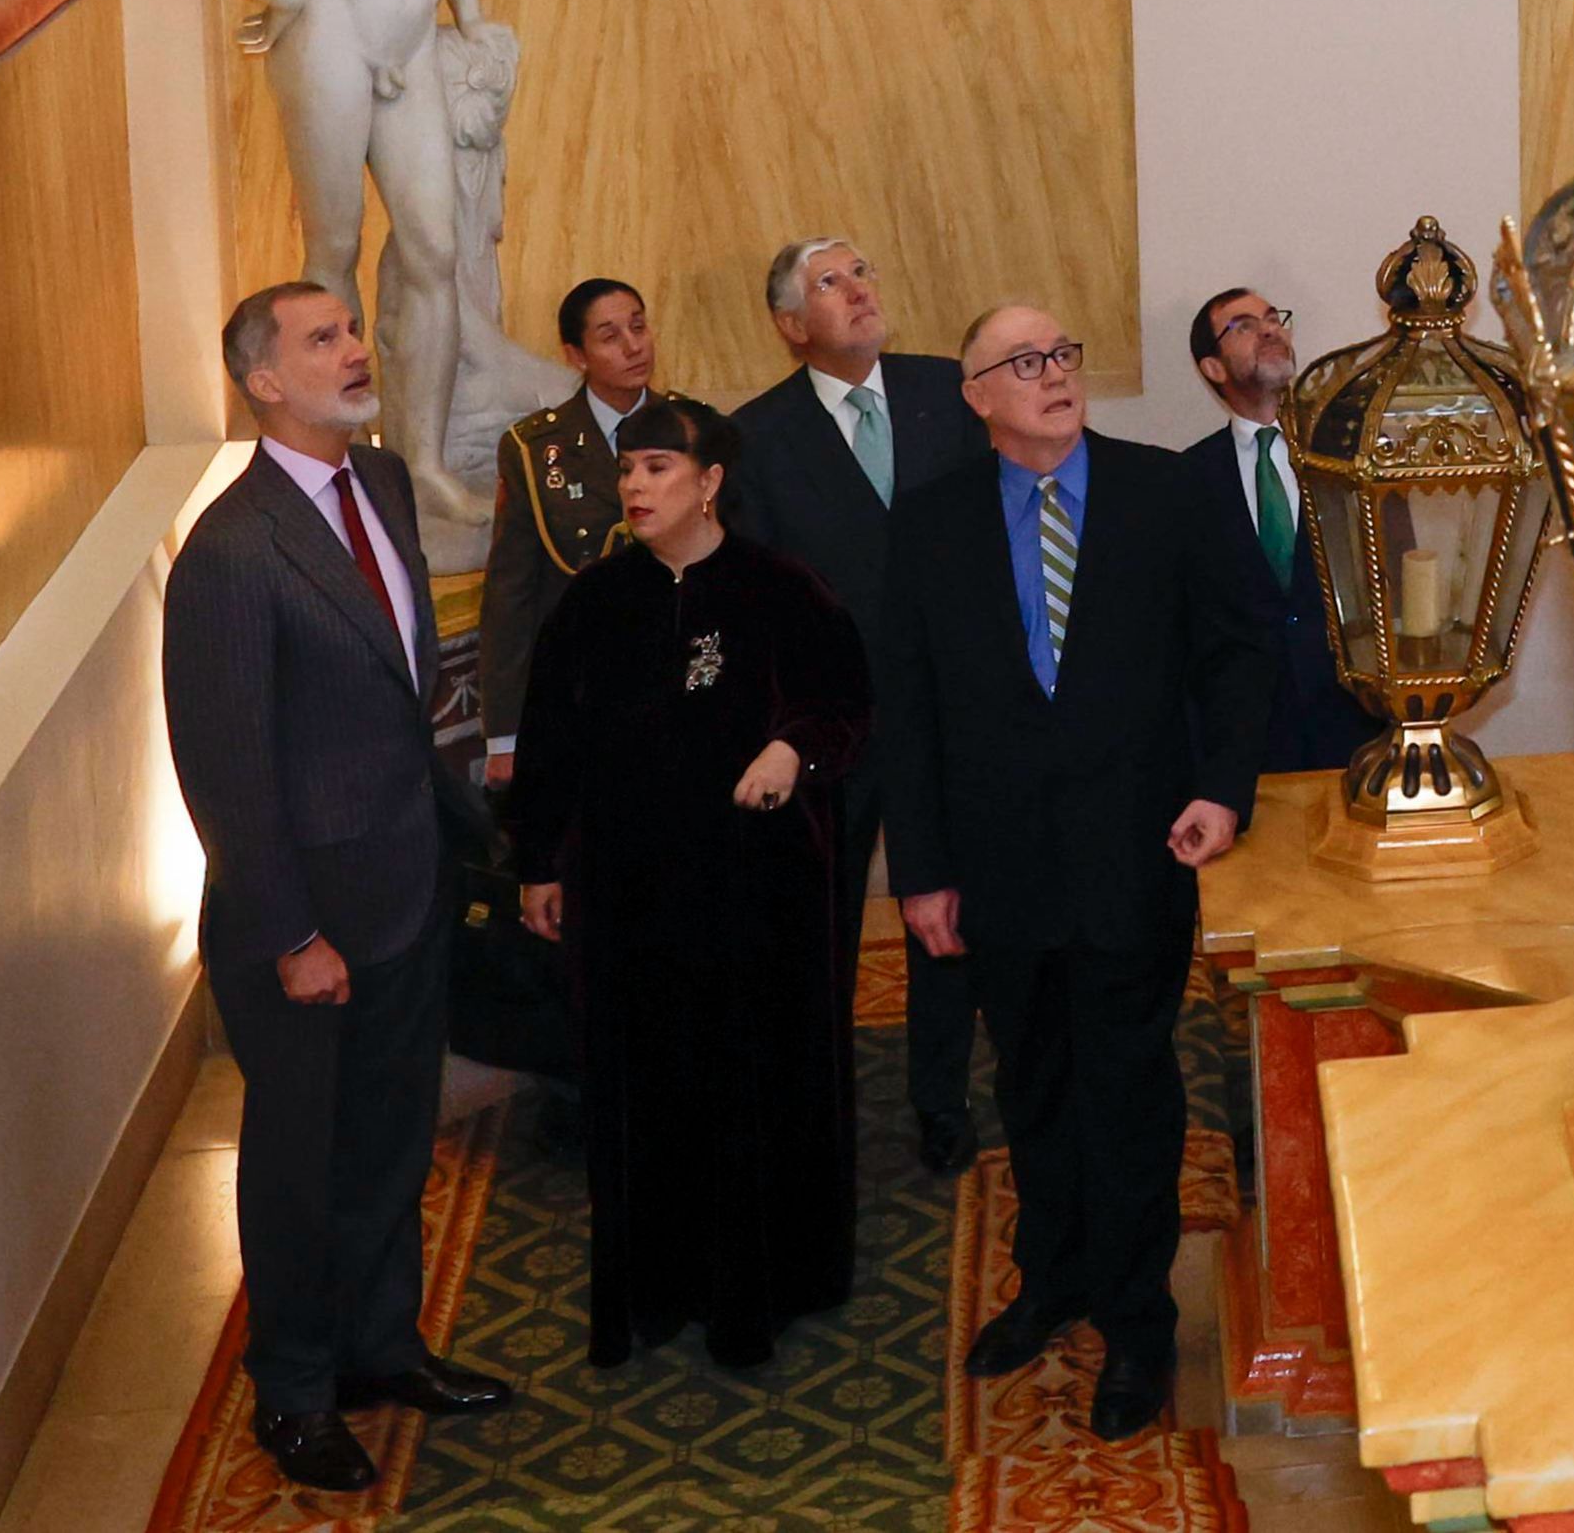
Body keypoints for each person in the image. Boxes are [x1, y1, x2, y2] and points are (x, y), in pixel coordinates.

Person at [869, 304, 1271, 1434]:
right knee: (1031, 1079)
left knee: (1129, 1082)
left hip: (1135, 850)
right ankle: (1052, 1278)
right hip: (995, 867)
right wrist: (924, 870)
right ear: (977, 396)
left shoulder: (1164, 491)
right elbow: (908, 707)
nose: (1052, 373)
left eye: (1061, 353)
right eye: (1023, 361)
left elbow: (1241, 645)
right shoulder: (932, 521)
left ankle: (1137, 1319)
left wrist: (1222, 788)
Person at [161, 283, 521, 1495]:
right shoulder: (230, 550)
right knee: (300, 1164)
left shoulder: (384, 486)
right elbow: (223, 764)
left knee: (389, 1136)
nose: (356, 347)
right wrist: (289, 930)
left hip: (407, 888)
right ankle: (298, 1388)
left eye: (354, 327)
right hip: (304, 926)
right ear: (262, 380)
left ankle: (381, 1345)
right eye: (322, 338)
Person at [511, 407, 869, 1369]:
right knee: (645, 1086)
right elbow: (548, 746)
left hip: (759, 893)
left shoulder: (782, 592)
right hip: (629, 899)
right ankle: (654, 1286)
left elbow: (844, 706)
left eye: (658, 467)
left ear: (709, 482)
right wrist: (538, 863)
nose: (635, 487)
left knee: (755, 1079)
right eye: (628, 469)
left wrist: (793, 747)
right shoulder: (591, 606)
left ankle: (768, 1281)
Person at [173, 0, 500, 558]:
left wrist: (466, 13)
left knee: (434, 244)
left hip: (407, 43)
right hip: (332, 40)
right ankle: (340, 455)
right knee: (335, 251)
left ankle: (422, 459)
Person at [726, 236, 991, 1169]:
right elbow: (752, 596)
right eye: (830, 283)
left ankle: (940, 1099)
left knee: (943, 917)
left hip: (950, 714)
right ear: (792, 326)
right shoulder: (754, 436)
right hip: (832, 726)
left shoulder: (947, 390)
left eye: (863, 271)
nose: (858, 290)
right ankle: (815, 1112)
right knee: (823, 926)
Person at [479, 276, 722, 777]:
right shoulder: (534, 449)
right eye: (611, 336)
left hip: (684, 680)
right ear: (576, 354)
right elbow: (511, 595)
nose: (634, 346)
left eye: (639, 326)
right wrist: (503, 736)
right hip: (582, 691)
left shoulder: (697, 430)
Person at [1182, 283, 1382, 778]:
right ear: (1213, 368)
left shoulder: (1352, 455)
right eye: (1243, 325)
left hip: (1358, 731)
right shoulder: (1185, 480)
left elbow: (1396, 578)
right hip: (1247, 750)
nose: (1270, 328)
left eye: (1274, 318)